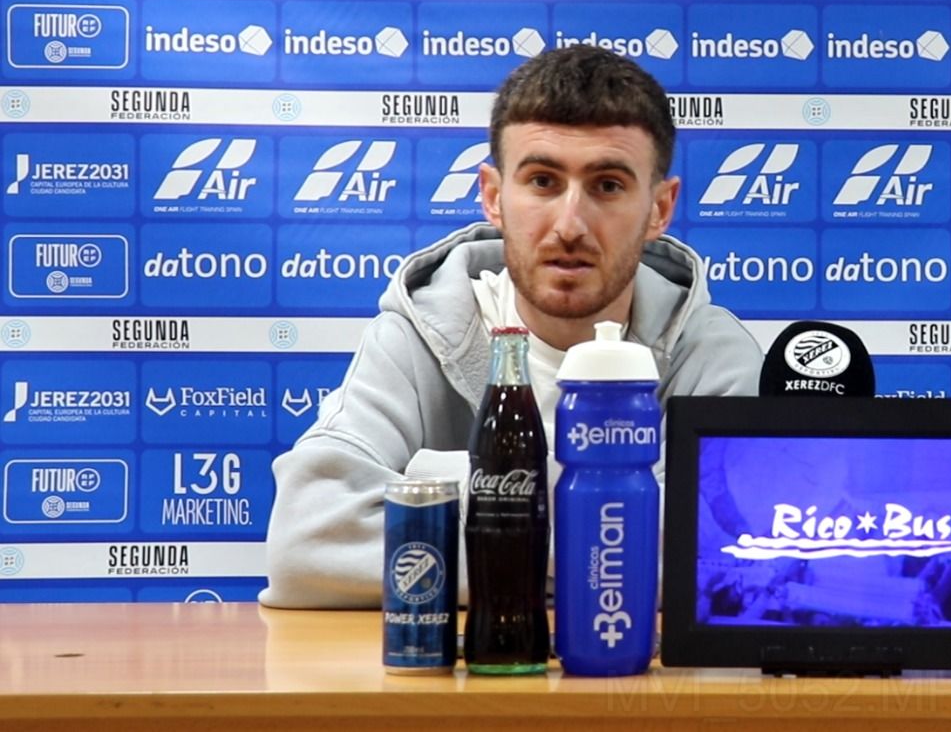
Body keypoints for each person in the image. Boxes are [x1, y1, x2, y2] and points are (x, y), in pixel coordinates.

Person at [262, 45, 763, 608]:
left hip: (638, 691)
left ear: (659, 208)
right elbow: (306, 543)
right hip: (461, 694)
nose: (570, 225)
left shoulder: (712, 353)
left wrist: (440, 484)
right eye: (544, 181)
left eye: (608, 186)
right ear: (494, 197)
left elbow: (744, 558)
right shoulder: (418, 336)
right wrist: (624, 520)